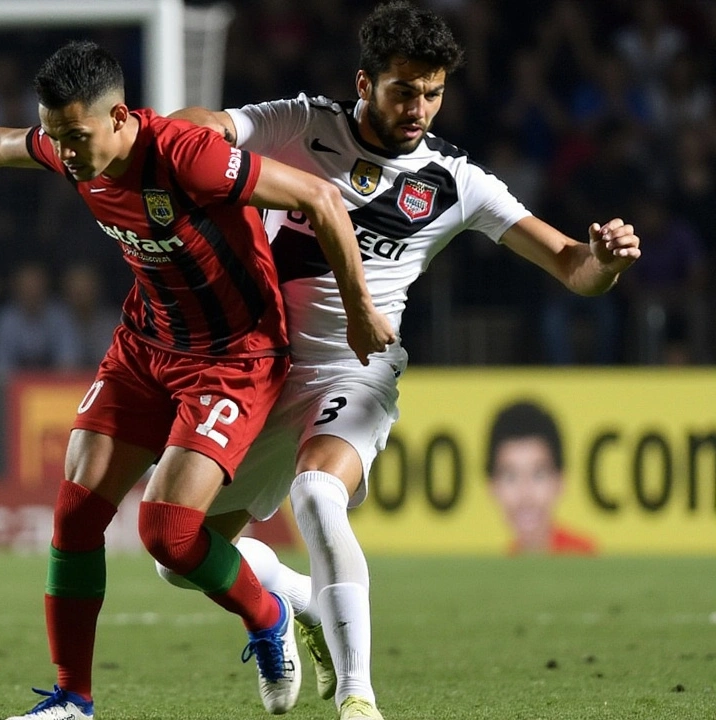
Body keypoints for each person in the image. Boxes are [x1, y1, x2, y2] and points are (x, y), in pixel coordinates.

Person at [0, 39, 395, 720]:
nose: (67, 154)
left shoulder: (185, 154)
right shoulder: (71, 142)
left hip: (234, 357)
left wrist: (360, 310)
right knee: (76, 513)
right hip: (145, 347)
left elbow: (319, 196)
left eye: (77, 138)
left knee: (168, 534)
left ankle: (269, 617)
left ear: (119, 118)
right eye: (57, 138)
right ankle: (73, 701)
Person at [159, 3, 640, 719]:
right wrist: (176, 138)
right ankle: (303, 605)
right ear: (365, 81)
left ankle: (359, 698)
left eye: (434, 92)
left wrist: (603, 260)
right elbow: (212, 126)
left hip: (357, 372)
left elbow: (571, 265)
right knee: (178, 555)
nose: (420, 108)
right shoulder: (303, 124)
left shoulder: (454, 180)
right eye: (404, 91)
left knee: (318, 495)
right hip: (258, 372)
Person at [486, 400, 596, 555]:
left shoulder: (583, 559)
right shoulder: (504, 567)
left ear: (560, 481)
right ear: (492, 486)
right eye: (510, 477)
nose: (525, 494)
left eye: (538, 475)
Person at [0, 261, 82, 374]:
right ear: (16, 287)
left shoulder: (60, 316)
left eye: (36, 284)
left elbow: (69, 362)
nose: (31, 291)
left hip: (54, 388)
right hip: (13, 387)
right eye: (26, 285)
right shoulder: (4, 320)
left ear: (45, 285)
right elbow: (0, 368)